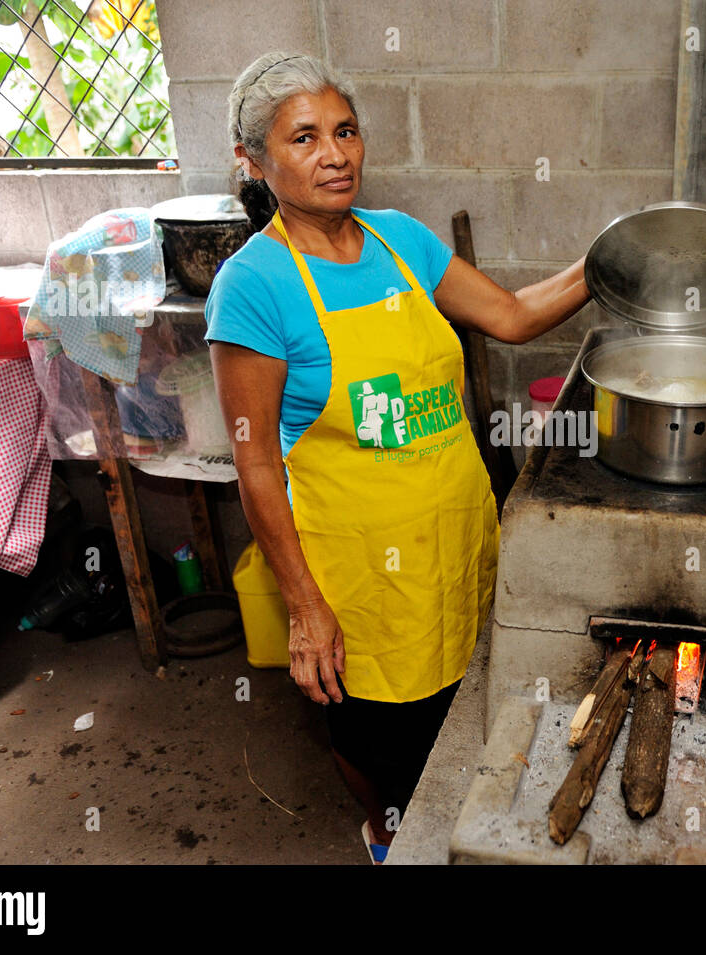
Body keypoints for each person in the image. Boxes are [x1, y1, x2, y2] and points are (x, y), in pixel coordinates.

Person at [204, 52, 589, 863]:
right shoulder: (255, 286)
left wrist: (608, 262)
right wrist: (306, 606)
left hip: (455, 539)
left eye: (344, 130)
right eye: (303, 138)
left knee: (470, 703)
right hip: (359, 571)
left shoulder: (402, 242)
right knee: (380, 733)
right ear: (254, 161)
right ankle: (389, 832)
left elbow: (515, 316)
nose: (334, 153)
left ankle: (451, 825)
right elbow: (256, 466)